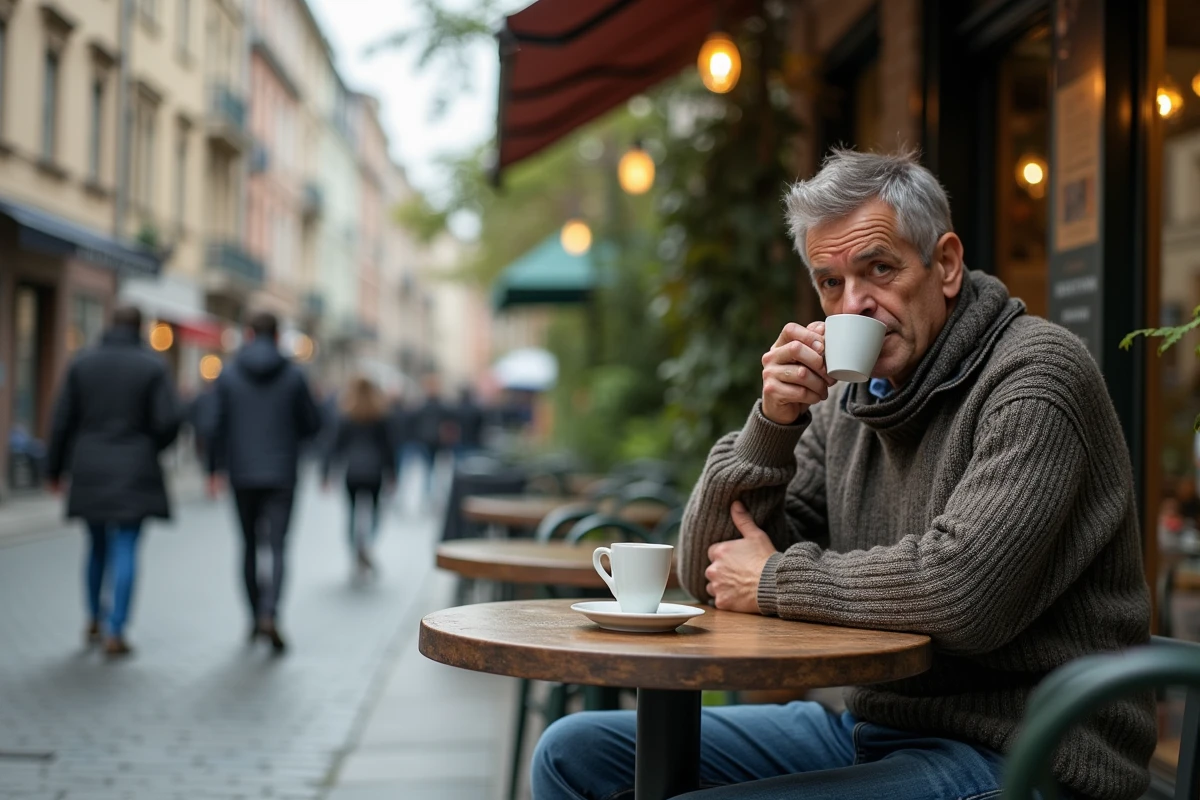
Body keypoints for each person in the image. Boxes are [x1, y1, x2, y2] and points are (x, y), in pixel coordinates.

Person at [532, 149, 1154, 800]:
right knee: (574, 754)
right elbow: (711, 572)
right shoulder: (850, 403)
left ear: (944, 265)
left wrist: (776, 578)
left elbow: (961, 594)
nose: (854, 306)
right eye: (831, 284)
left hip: (1026, 754)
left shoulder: (1036, 379)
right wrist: (772, 422)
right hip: (880, 729)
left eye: (878, 269)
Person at [45, 305, 181, 658]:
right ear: (140, 328)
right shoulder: (153, 366)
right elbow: (169, 421)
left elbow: (61, 420)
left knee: (96, 546)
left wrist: (54, 470)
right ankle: (115, 629)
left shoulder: (83, 362)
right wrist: (149, 446)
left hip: (89, 465)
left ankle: (93, 616)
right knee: (126, 547)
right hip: (135, 467)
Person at [202, 311, 321, 654]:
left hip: (242, 473)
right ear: (279, 334)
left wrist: (213, 470)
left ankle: (254, 617)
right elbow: (312, 424)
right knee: (279, 546)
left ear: (249, 334)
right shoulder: (294, 375)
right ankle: (272, 612)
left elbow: (214, 426)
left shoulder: (229, 374)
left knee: (249, 546)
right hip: (282, 472)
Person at [321, 375, 395, 574]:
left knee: (352, 513)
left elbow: (334, 445)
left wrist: (326, 472)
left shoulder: (346, 413)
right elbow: (388, 447)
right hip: (374, 471)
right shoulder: (380, 414)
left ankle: (356, 548)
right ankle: (367, 545)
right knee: (375, 512)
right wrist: (393, 473)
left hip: (352, 471)